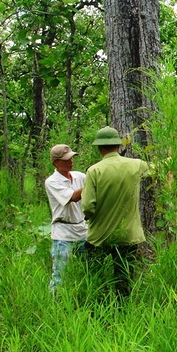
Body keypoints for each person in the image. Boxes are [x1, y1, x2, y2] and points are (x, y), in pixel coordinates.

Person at [80, 126, 151, 296]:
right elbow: (157, 170)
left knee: (96, 279)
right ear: (119, 146)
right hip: (128, 235)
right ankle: (123, 310)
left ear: (100, 148)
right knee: (124, 279)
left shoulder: (94, 171)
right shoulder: (136, 165)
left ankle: (98, 309)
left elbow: (88, 206)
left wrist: (89, 217)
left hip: (100, 236)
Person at [44, 144, 87, 291]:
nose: (71, 161)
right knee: (60, 274)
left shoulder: (79, 176)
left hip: (82, 230)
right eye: (66, 159)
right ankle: (56, 302)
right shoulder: (52, 181)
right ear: (56, 163)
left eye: (71, 158)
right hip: (63, 233)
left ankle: (82, 295)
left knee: (86, 269)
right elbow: (73, 197)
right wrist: (94, 182)